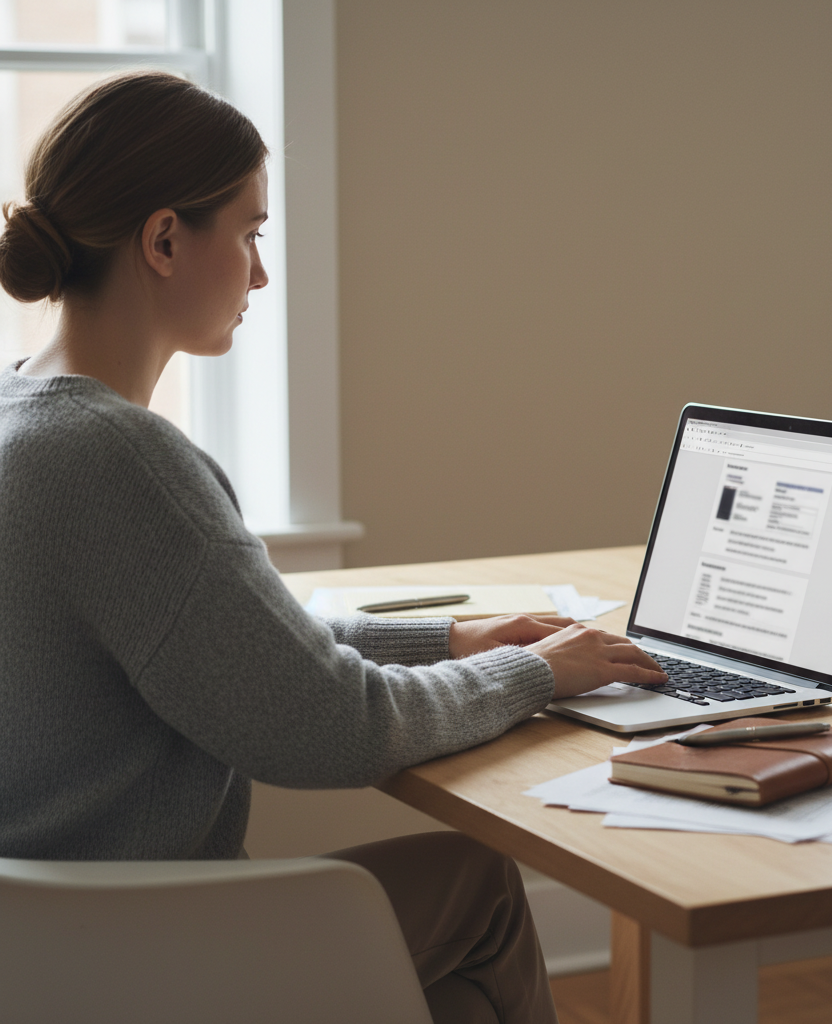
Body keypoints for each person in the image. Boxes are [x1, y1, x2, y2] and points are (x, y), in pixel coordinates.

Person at [0, 71, 667, 1022]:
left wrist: (446, 641)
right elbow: (331, 727)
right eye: (250, 233)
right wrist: (536, 673)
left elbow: (235, 639)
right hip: (132, 955)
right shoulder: (119, 458)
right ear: (162, 239)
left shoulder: (21, 414)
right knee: (475, 882)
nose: (262, 275)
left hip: (37, 947)